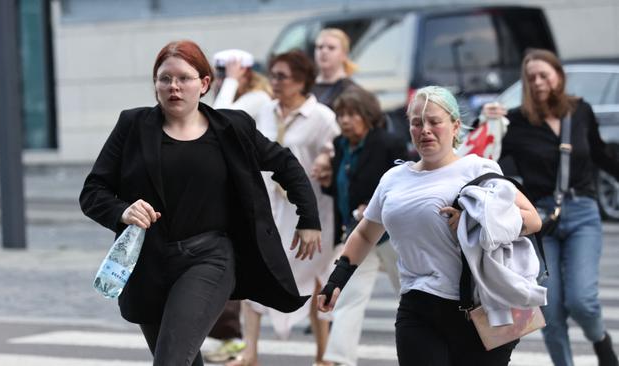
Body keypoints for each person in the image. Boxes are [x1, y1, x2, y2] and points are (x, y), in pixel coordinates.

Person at [79, 40, 323, 366]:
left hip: (208, 258)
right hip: (147, 262)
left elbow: (286, 164)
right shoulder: (133, 126)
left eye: (183, 78)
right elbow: (93, 191)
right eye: (165, 78)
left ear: (204, 83)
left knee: (171, 361)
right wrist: (122, 211)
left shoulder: (232, 128)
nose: (173, 87)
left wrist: (308, 219)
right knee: (182, 359)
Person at [318, 85, 544, 366]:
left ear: (455, 126)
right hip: (418, 307)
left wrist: (476, 222)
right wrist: (336, 280)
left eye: (434, 121)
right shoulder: (394, 179)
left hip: (478, 307)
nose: (424, 129)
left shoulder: (478, 169)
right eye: (416, 122)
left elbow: (532, 219)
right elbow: (365, 232)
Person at [481, 49, 619, 366]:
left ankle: (600, 339)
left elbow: (599, 154)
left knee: (582, 300)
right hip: (541, 221)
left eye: (544, 75)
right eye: (531, 78)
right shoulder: (514, 122)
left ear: (558, 75)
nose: (539, 82)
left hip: (583, 213)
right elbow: (484, 159)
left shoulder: (580, 111)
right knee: (550, 306)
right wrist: (484, 122)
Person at [227, 50, 340, 366]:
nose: (274, 82)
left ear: (302, 81)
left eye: (282, 76)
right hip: (268, 206)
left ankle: (323, 354)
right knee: (254, 271)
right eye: (272, 75)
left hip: (310, 210)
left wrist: (325, 160)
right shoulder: (265, 110)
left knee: (316, 278)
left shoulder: (321, 117)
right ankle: (249, 352)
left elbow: (336, 153)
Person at [312, 87, 405, 366]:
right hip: (357, 234)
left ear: (367, 115)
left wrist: (374, 205)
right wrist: (327, 183)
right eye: (341, 114)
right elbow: (341, 190)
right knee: (349, 298)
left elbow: (404, 184)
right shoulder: (341, 145)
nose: (345, 120)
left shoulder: (388, 144)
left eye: (352, 114)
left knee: (410, 293)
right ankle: (340, 359)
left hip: (390, 235)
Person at [204, 48, 273, 364]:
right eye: (218, 73)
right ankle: (228, 336)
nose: (219, 79)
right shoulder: (238, 97)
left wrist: (229, 83)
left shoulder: (257, 98)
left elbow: (219, 120)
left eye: (225, 72)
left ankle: (234, 338)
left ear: (243, 72)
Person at [212, 48, 273, 119]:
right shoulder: (235, 96)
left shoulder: (259, 97)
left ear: (246, 75)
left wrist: (231, 80)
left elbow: (219, 118)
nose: (220, 83)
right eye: (219, 77)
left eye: (225, 77)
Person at [311, 28, 359, 108]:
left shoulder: (351, 91)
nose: (324, 51)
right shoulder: (304, 86)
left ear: (344, 54)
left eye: (331, 48)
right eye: (320, 47)